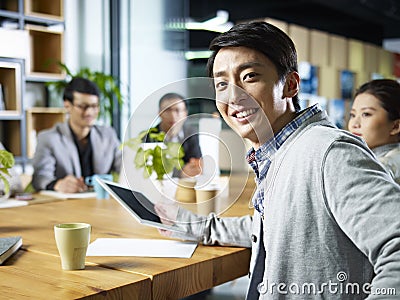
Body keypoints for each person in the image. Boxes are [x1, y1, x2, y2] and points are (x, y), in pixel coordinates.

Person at [155, 21, 400, 299]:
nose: (234, 95)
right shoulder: (280, 153)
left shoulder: (329, 151)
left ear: (291, 85)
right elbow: (274, 225)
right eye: (222, 83)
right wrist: (195, 226)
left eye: (249, 77)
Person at [32, 77, 121, 193]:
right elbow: (40, 177)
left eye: (94, 106)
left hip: (100, 203)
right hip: (67, 206)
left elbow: (126, 165)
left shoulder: (108, 135)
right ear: (67, 105)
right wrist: (58, 185)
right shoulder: (48, 138)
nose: (89, 112)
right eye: (83, 106)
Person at [348, 79, 400, 183]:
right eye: (353, 115)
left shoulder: (382, 167)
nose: (355, 124)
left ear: (395, 127)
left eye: (366, 114)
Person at [146, 92, 202, 178]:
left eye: (177, 110)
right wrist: (180, 173)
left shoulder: (191, 133)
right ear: (159, 113)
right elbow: (152, 170)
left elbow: (195, 165)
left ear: (185, 113)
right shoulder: (149, 136)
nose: (172, 115)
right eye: (167, 110)